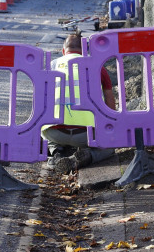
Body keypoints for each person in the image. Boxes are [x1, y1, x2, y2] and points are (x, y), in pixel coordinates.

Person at [41, 32, 117, 173]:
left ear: (63, 51)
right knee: (109, 149)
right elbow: (109, 100)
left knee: (46, 136)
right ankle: (87, 156)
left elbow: (42, 100)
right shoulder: (97, 67)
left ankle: (55, 154)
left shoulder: (51, 66)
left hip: (55, 132)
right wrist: (110, 129)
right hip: (86, 135)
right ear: (84, 51)